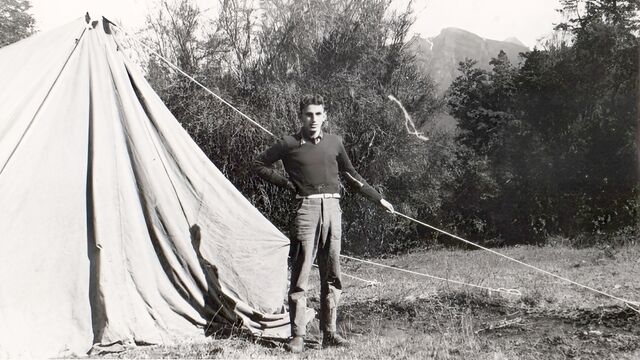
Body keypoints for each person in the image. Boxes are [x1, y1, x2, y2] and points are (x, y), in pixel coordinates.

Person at [254, 94, 394, 353]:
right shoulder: (288, 143)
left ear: (325, 117)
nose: (313, 119)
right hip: (306, 209)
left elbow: (352, 176)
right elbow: (259, 164)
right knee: (301, 272)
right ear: (301, 116)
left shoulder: (334, 142)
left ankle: (329, 333)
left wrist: (378, 199)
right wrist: (286, 184)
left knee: (332, 273)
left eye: (318, 114)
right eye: (309, 114)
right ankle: (297, 335)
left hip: (333, 209)